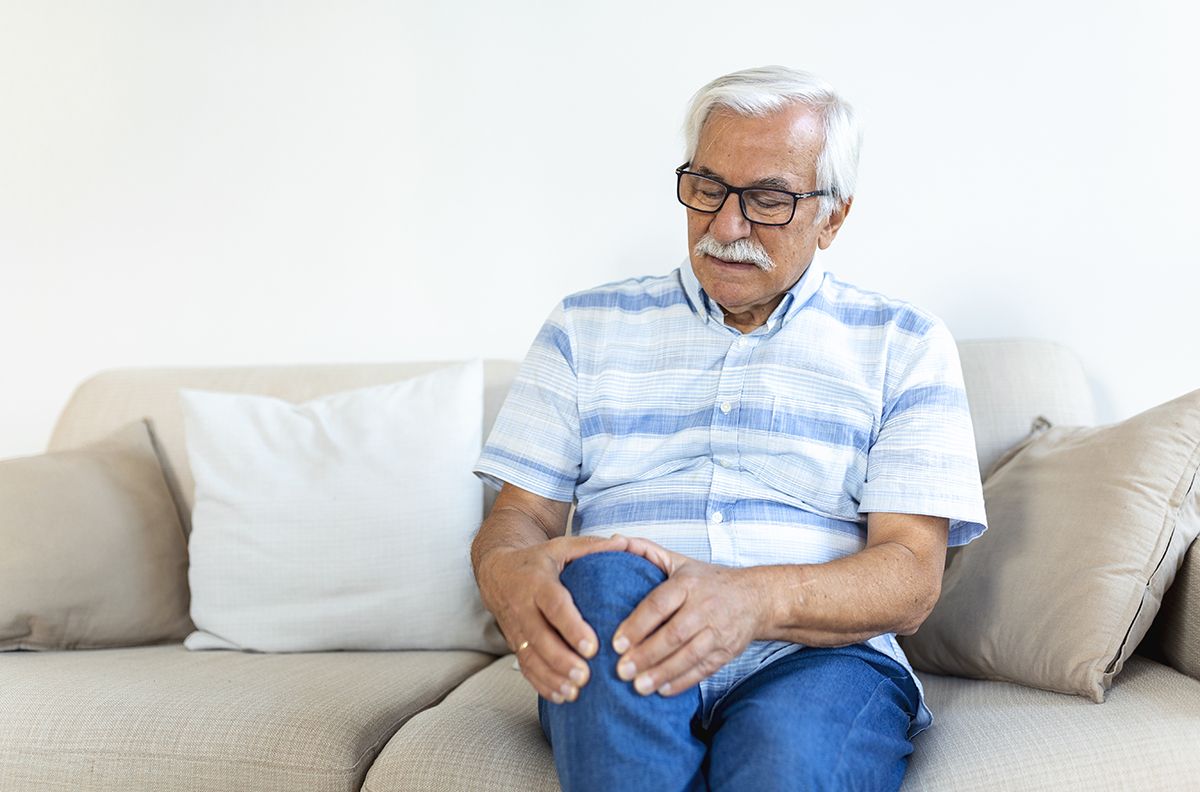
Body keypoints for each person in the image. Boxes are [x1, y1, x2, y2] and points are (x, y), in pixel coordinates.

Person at [470, 65, 988, 791]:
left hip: (819, 658)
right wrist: (504, 572)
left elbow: (910, 578)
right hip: (623, 625)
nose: (724, 227)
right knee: (605, 575)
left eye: (768, 199)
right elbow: (520, 517)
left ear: (833, 217)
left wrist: (751, 600)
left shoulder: (905, 343)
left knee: (786, 761)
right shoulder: (583, 327)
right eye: (707, 187)